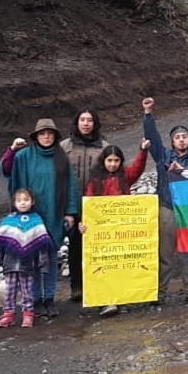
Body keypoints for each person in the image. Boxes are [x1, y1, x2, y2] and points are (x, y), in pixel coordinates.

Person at [1, 118, 80, 317]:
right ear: (36, 136)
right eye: (42, 133)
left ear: (54, 136)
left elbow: (71, 186)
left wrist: (70, 212)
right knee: (32, 260)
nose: (46, 136)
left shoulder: (61, 157)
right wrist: (18, 212)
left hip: (55, 213)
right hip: (30, 216)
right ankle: (35, 299)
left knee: (51, 259)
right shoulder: (24, 156)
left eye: (50, 133)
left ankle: (49, 298)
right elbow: (9, 174)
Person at [142, 97, 188, 304]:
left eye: (184, 137)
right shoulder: (163, 156)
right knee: (165, 253)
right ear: (172, 142)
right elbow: (152, 137)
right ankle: (159, 292)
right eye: (177, 137)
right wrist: (148, 114)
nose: (181, 140)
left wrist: (185, 172)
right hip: (167, 208)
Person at [78, 141, 150, 315]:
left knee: (121, 262)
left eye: (116, 161)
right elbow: (88, 204)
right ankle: (104, 300)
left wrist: (142, 151)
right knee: (102, 265)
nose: (113, 164)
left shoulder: (125, 176)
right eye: (109, 160)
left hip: (121, 232)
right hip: (101, 233)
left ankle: (121, 296)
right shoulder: (95, 181)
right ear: (103, 161)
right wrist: (83, 223)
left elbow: (138, 168)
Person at [61, 107, 110, 302]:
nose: (86, 123)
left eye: (90, 120)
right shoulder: (65, 146)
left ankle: (96, 284)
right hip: (72, 204)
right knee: (74, 246)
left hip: (96, 204)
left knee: (97, 246)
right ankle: (77, 286)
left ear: (95, 123)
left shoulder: (104, 146)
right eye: (82, 119)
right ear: (77, 122)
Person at [0, 188, 54, 328]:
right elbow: (0, 242)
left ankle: (28, 314)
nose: (23, 203)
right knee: (9, 290)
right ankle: (8, 315)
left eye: (26, 200)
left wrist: (44, 264)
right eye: (19, 200)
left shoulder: (36, 220)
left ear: (32, 202)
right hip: (10, 264)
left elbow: (42, 244)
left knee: (27, 291)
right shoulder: (9, 220)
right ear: (14, 203)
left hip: (27, 265)